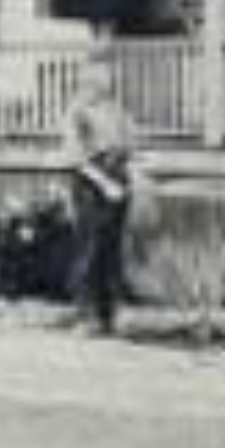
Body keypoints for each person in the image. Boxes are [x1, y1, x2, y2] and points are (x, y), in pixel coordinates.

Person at [62, 48, 137, 334]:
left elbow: (128, 143)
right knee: (89, 248)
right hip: (91, 183)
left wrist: (130, 171)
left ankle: (110, 314)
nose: (105, 77)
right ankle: (86, 315)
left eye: (109, 71)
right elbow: (76, 157)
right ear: (86, 75)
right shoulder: (77, 111)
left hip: (118, 177)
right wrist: (105, 185)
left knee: (112, 249)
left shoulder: (116, 108)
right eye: (99, 71)